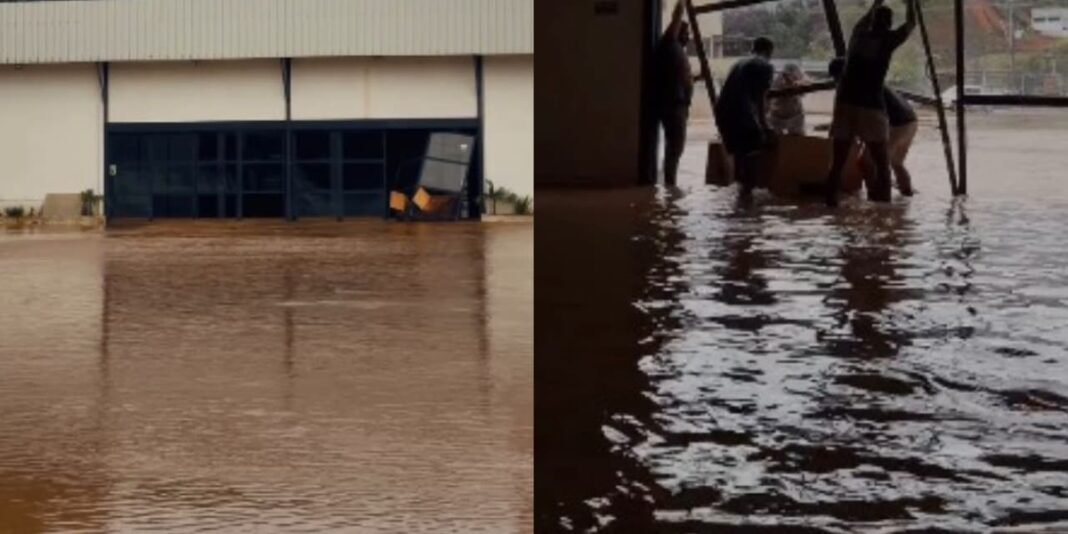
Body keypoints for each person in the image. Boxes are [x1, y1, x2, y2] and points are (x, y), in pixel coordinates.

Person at [824, 0, 916, 207]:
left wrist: (877, 1)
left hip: (845, 102)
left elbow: (867, 17)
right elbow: (911, 24)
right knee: (882, 163)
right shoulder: (888, 40)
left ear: (872, 20)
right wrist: (911, 3)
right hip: (870, 105)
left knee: (837, 163)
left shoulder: (858, 34)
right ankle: (882, 213)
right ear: (890, 22)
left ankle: (830, 204)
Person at [827, 57, 917, 196]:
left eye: (836, 77)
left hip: (896, 123)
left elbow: (867, 116)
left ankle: (875, 197)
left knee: (867, 162)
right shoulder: (867, 79)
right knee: (895, 162)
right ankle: (906, 195)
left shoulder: (855, 86)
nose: (836, 81)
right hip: (910, 121)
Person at [714, 37, 776, 201]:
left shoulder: (738, 63)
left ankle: (739, 197)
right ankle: (747, 202)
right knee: (752, 152)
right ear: (769, 51)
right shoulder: (765, 65)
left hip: (722, 112)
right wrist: (764, 126)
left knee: (740, 154)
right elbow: (761, 99)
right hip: (740, 113)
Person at [655, 1, 694, 186]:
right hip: (673, 104)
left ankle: (669, 184)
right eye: (685, 33)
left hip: (679, 104)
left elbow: (680, 77)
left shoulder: (676, 52)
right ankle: (669, 186)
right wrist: (681, 5)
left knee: (676, 147)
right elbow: (677, 17)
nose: (688, 37)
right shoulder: (669, 44)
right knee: (675, 147)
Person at [768, 63, 807, 135]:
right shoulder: (776, 80)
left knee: (797, 137)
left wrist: (796, 85)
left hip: (795, 114)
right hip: (777, 115)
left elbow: (803, 92)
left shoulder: (799, 79)